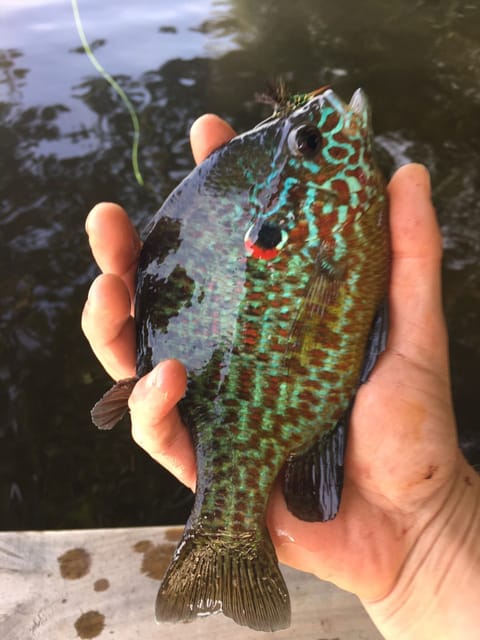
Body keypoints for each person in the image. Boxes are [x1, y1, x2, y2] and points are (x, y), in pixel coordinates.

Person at [82, 114, 480, 639]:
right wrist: (425, 557)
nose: (329, 123)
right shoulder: (332, 228)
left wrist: (431, 535)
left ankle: (226, 534)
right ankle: (225, 534)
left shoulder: (324, 229)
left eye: (307, 140)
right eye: (311, 141)